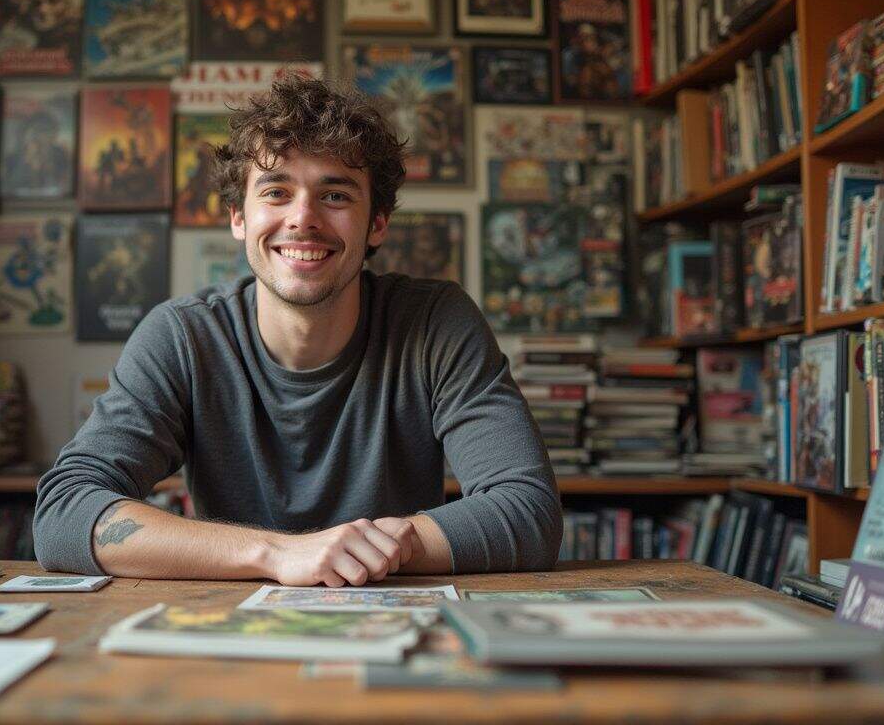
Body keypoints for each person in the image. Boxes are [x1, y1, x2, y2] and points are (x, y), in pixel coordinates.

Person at [35, 74, 561, 585]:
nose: (303, 218)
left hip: (393, 631)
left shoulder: (436, 324)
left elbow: (528, 509)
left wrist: (367, 551)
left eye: (335, 196)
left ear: (377, 222)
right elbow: (65, 512)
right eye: (276, 191)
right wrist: (279, 554)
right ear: (239, 216)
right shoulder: (182, 337)